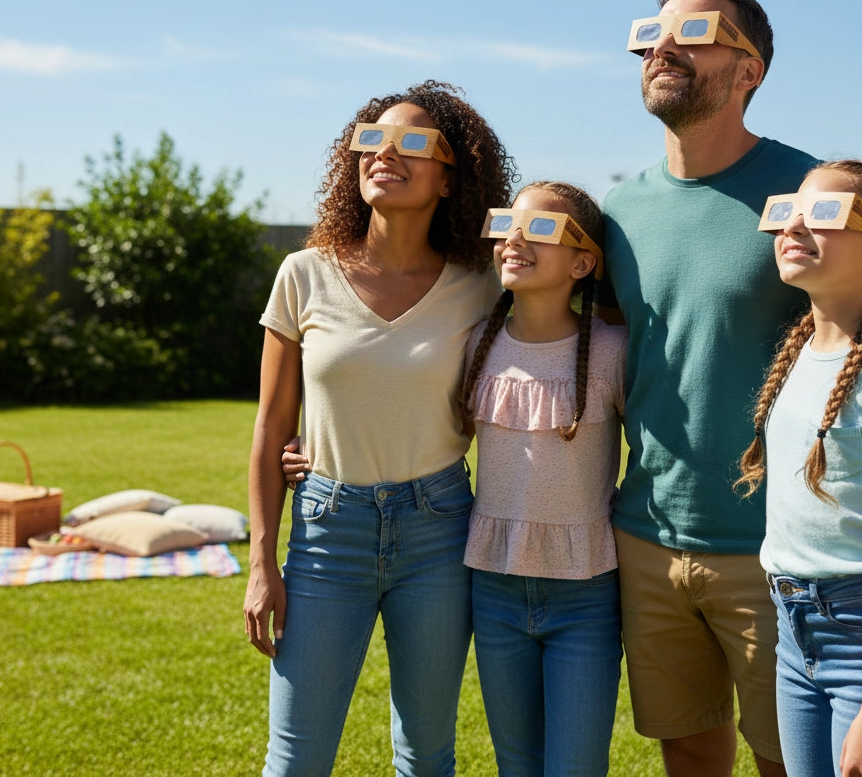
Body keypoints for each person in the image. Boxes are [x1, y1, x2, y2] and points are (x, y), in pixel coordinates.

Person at [243, 80, 517, 777]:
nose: (384, 152)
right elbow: (272, 424)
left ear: (451, 176)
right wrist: (260, 565)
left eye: (412, 142)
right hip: (327, 532)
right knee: (296, 759)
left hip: (440, 530)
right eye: (371, 138)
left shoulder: (484, 284)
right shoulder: (303, 275)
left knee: (426, 756)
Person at [597, 0, 820, 777]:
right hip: (646, 538)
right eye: (651, 34)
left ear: (748, 69)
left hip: (780, 548)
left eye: (693, 34)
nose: (662, 47)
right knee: (689, 752)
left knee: (789, 760)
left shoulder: (810, 194)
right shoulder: (617, 215)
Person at [736, 160, 862, 777]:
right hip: (792, 631)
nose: (796, 225)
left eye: (825, 214)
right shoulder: (801, 349)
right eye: (787, 211)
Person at [459, 181, 626, 777]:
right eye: (509, 225)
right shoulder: (476, 343)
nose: (516, 239)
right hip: (493, 591)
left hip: (586, 596)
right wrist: (306, 446)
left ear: (583, 262)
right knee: (516, 765)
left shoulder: (612, 350)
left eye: (542, 228)